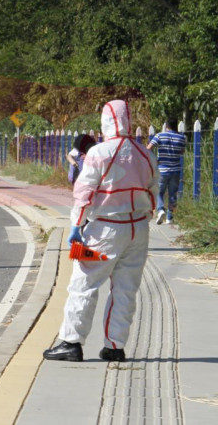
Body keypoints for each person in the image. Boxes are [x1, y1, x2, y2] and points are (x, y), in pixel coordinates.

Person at [43, 100, 159, 362]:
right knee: (126, 289)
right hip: (137, 229)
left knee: (83, 284)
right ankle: (115, 346)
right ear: (129, 120)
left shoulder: (98, 153)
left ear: (106, 120)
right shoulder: (145, 154)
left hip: (103, 229)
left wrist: (76, 225)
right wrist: (144, 217)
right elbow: (154, 190)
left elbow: (83, 192)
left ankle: (71, 343)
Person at [146, 118, 186, 224]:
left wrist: (155, 160)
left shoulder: (160, 136)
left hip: (162, 170)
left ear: (166, 126)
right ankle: (169, 217)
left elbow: (148, 149)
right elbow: (182, 152)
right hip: (176, 170)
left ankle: (160, 210)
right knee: (173, 194)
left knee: (159, 192)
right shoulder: (182, 138)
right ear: (176, 126)